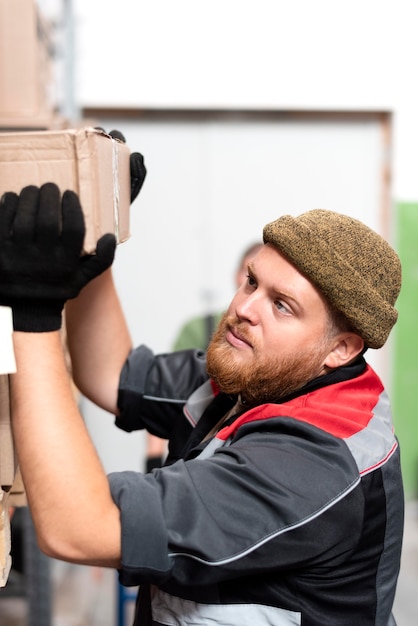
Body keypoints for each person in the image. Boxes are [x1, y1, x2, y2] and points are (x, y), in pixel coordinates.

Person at [0, 158, 404, 625]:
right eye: (252, 281)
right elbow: (112, 374)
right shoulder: (255, 374)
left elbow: (78, 529)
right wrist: (93, 238)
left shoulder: (312, 464)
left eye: (282, 305)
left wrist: (33, 311)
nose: (244, 308)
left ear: (341, 348)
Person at [145, 241, 263, 472]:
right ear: (236, 276)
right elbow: (163, 387)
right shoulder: (197, 329)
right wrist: (152, 456)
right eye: (251, 280)